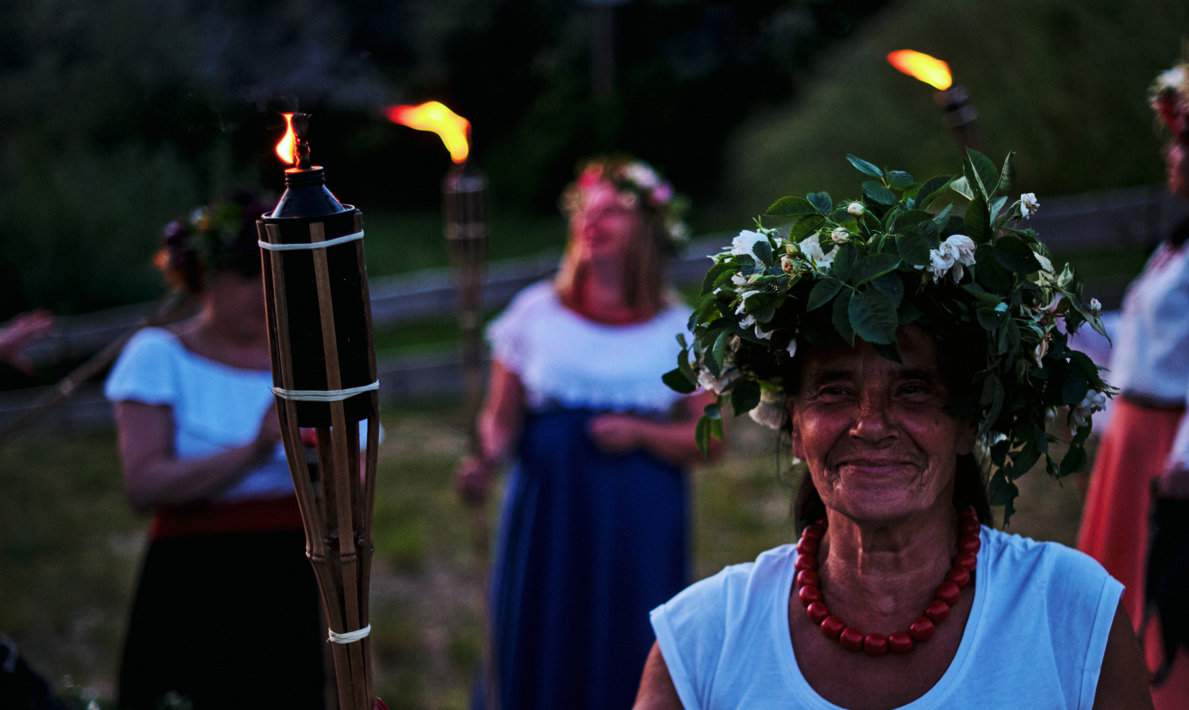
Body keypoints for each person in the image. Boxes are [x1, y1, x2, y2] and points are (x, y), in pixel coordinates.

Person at [635, 152, 1153, 708]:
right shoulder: (701, 641)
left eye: (913, 390)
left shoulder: (1071, 614)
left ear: (965, 423)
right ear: (794, 420)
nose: (870, 425)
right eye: (834, 390)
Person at [457, 157, 714, 709]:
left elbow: (708, 440)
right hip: (549, 510)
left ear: (648, 229)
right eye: (587, 210)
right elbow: (500, 421)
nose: (594, 220)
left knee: (629, 633)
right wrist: (484, 458)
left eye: (614, 211)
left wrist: (642, 434)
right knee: (543, 625)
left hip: (638, 516)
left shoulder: (680, 330)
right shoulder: (534, 314)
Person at [105, 194, 325, 709]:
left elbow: (358, 477)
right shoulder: (158, 356)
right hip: (195, 577)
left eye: (275, 273)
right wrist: (253, 450)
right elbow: (144, 486)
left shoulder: (312, 359)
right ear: (205, 274)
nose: (264, 290)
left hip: (291, 573)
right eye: (249, 274)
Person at [1077, 59, 1189, 709]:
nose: (1172, 157)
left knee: (1167, 596)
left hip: (1169, 451)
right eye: (1172, 141)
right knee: (1117, 602)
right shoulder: (1172, 248)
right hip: (1133, 442)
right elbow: (1141, 357)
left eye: (1186, 144)